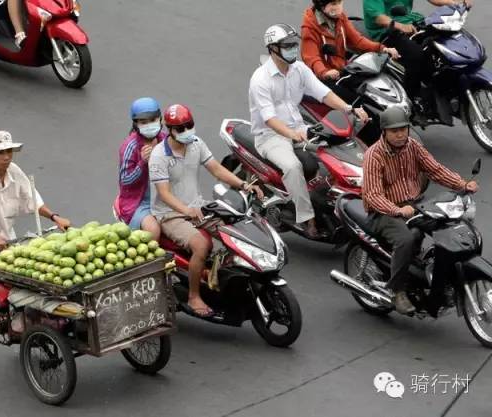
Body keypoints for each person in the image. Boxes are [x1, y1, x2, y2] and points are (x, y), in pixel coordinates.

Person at [249, 24, 369, 238]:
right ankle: (306, 219)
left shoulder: (299, 69)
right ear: (273, 49)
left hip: (300, 128)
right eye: (287, 46)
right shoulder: (261, 79)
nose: (293, 49)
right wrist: (293, 134)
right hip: (271, 137)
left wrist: (349, 109)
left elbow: (323, 93)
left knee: (335, 152)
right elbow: (269, 119)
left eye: (294, 44)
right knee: (294, 167)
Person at [149, 104, 263, 318]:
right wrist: (187, 210)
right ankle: (194, 296)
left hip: (199, 206)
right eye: (180, 128)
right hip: (170, 214)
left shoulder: (196, 143)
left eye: (188, 125)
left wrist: (243, 185)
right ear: (169, 130)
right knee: (202, 245)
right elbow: (164, 194)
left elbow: (217, 169)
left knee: (236, 232)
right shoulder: (158, 156)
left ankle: (220, 277)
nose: (186, 131)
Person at [362, 106, 478, 315]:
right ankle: (397, 291)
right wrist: (397, 210)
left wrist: (463, 184)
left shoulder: (412, 146)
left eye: (403, 129)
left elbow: (435, 169)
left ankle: (437, 277)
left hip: (414, 205)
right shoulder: (374, 155)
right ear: (384, 132)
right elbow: (372, 196)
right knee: (406, 239)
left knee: (447, 226)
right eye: (394, 131)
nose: (400, 134)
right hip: (383, 212)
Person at [0, 131, 71, 261]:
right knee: (3, 265)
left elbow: (33, 200)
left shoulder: (14, 171)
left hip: (6, 237)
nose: (6, 157)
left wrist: (55, 217)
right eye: (0, 152)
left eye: (9, 151)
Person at [362, 0, 473, 106]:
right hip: (385, 31)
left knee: (443, 42)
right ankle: (410, 98)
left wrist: (455, 3)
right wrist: (400, 26)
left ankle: (442, 89)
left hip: (409, 23)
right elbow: (377, 17)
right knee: (417, 55)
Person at [301, 0, 400, 103]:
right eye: (333, 4)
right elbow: (312, 58)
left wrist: (382, 48)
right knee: (355, 99)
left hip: (340, 69)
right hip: (321, 78)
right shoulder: (310, 27)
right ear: (321, 6)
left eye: (340, 2)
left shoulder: (340, 18)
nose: (338, 7)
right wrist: (324, 72)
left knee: (370, 87)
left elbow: (358, 41)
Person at [116, 97, 165, 240]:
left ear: (160, 119)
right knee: (153, 231)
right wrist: (142, 163)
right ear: (136, 124)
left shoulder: (166, 139)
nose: (149, 125)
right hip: (140, 202)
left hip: (165, 196)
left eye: (153, 120)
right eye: (144, 122)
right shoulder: (130, 147)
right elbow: (125, 180)